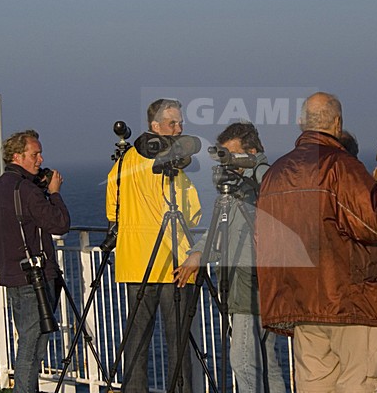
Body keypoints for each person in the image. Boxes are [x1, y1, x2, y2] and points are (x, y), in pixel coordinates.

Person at [255, 92, 377, 393]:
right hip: (350, 300)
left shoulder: (276, 173)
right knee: (359, 381)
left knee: (314, 383)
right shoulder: (341, 166)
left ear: (301, 124)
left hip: (302, 301)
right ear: (337, 123)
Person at [174, 122, 287, 393]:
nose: (229, 163)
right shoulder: (236, 186)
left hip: (254, 283)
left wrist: (252, 172)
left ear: (251, 152)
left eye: (233, 155)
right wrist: (199, 253)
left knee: (244, 361)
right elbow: (221, 226)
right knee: (265, 362)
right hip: (243, 282)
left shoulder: (264, 180)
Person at [106, 99, 201, 392]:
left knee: (136, 342)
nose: (180, 128)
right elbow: (190, 213)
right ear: (155, 127)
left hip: (134, 262)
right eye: (173, 123)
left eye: (180, 122)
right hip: (173, 264)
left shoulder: (123, 163)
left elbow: (113, 211)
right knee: (178, 344)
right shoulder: (170, 163)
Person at [0, 130, 70, 393]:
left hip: (12, 275)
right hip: (34, 279)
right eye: (34, 154)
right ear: (17, 156)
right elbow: (59, 224)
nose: (40, 159)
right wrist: (54, 194)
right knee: (32, 347)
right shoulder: (25, 190)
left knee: (28, 340)